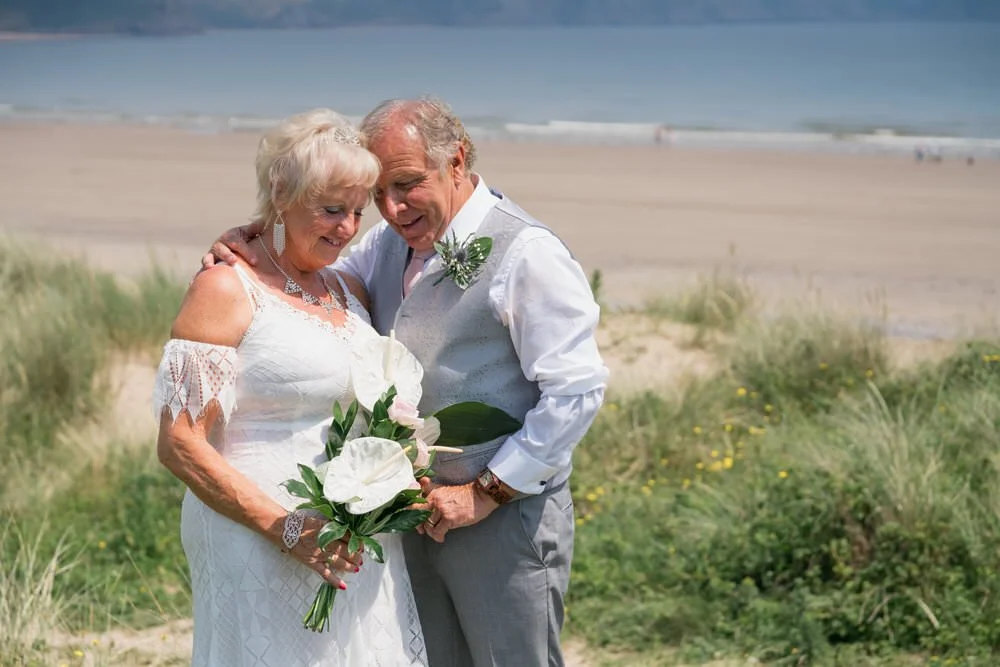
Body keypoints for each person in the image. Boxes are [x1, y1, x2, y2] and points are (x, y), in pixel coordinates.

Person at [208, 97, 609, 667]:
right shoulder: (386, 244)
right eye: (378, 195)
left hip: (506, 525)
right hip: (408, 524)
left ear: (457, 160)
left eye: (407, 184)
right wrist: (254, 244)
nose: (392, 209)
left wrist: (487, 492)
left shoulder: (529, 255)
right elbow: (313, 289)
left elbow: (576, 392)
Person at [154, 108, 428, 666]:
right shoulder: (227, 287)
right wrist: (288, 527)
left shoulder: (345, 288)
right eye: (330, 209)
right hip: (256, 532)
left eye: (357, 211)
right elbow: (180, 443)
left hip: (350, 532)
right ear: (282, 192)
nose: (348, 228)